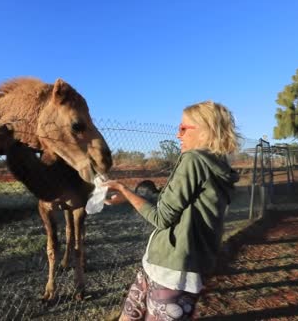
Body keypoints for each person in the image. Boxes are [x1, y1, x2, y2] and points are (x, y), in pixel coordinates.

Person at [102, 101, 240, 321]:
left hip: (171, 272)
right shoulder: (218, 167)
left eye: (183, 128)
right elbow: (176, 204)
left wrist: (124, 190)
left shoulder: (193, 160)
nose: (178, 135)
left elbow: (161, 217)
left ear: (206, 132)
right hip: (165, 266)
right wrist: (132, 197)